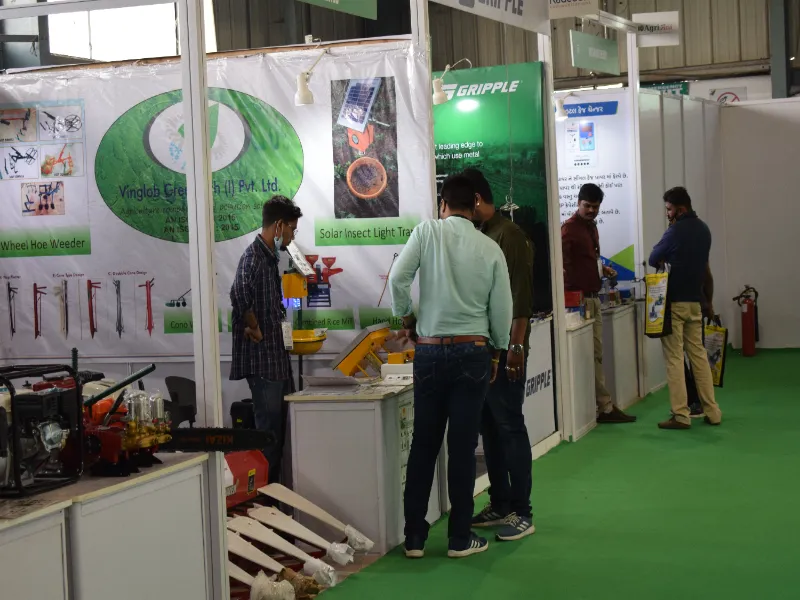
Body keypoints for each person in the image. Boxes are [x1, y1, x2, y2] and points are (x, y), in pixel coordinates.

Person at [390, 174, 512, 559]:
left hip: (429, 352)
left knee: (423, 444)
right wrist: (498, 351)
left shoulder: (426, 232)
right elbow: (502, 308)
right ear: (474, 206)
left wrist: (406, 318)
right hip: (473, 352)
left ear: (443, 204)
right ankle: (460, 537)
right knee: (462, 447)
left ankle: (414, 538)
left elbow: (398, 278)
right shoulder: (490, 247)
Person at [462, 168, 535, 541]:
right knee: (489, 428)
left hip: (507, 349)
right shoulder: (483, 234)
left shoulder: (510, 235)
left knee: (509, 426)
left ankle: (522, 511)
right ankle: (501, 501)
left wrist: (515, 346)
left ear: (476, 199)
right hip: (486, 350)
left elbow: (521, 295)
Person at [230, 195, 303, 480]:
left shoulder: (270, 258)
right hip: (263, 365)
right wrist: (253, 326)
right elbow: (238, 292)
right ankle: (263, 497)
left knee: (278, 437)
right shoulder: (253, 257)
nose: (292, 236)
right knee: (268, 438)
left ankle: (274, 494)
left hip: (276, 361)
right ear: (279, 225)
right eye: (292, 229)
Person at [561, 183, 636, 424]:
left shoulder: (591, 228)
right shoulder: (568, 230)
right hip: (578, 302)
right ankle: (603, 407)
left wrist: (602, 269)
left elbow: (587, 259)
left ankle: (603, 405)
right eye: (587, 206)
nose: (592, 210)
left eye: (595, 207)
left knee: (596, 354)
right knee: (590, 355)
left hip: (593, 297)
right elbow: (562, 267)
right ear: (578, 203)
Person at [649, 187, 723, 429]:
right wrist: (708, 302)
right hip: (695, 303)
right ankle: (713, 411)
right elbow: (706, 270)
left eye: (669, 209)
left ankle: (681, 414)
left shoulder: (674, 231)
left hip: (674, 303)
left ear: (680, 209)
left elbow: (653, 257)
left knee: (674, 358)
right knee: (699, 356)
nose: (667, 214)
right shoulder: (704, 230)